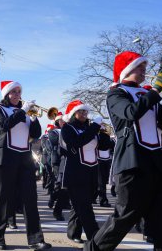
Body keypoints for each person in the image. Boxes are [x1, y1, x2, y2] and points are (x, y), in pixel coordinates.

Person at [85, 51, 162, 251]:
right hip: (132, 163)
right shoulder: (116, 93)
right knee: (125, 216)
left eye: (145, 67)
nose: (144, 70)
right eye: (139, 67)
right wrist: (154, 91)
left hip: (156, 163)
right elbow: (130, 113)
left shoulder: (146, 94)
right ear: (126, 71)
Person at [0, 80, 51, 250]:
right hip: (3, 158)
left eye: (18, 91)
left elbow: (36, 135)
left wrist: (33, 118)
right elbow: (2, 127)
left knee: (30, 199)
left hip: (24, 159)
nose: (17, 95)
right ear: (6, 95)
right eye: (13, 92)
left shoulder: (24, 112)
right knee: (3, 199)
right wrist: (22, 111)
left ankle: (36, 239)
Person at [61, 100, 101, 243]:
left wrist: (103, 132)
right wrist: (95, 127)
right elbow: (77, 143)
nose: (84, 114)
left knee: (80, 204)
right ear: (73, 114)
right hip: (75, 173)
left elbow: (105, 145)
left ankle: (73, 232)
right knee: (84, 206)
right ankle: (95, 237)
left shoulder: (90, 128)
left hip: (92, 172)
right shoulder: (67, 128)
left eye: (85, 111)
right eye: (81, 111)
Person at [47, 112, 70, 221]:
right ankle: (54, 199)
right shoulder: (53, 132)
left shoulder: (70, 128)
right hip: (59, 160)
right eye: (61, 120)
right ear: (57, 121)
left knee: (68, 186)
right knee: (59, 183)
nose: (63, 122)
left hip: (73, 158)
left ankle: (65, 203)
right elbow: (55, 142)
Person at [97, 125, 115, 207]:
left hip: (106, 159)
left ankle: (99, 198)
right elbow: (104, 145)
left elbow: (112, 146)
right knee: (101, 182)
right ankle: (103, 200)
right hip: (98, 159)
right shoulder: (99, 136)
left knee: (102, 182)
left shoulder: (106, 136)